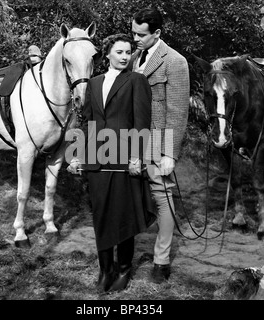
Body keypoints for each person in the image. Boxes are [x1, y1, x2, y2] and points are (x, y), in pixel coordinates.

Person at [67, 34, 155, 293]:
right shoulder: (93, 83)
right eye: (119, 52)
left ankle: (124, 269)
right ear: (107, 55)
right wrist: (76, 154)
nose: (125, 56)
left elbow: (142, 122)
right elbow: (86, 122)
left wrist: (138, 156)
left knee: (123, 214)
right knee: (102, 215)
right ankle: (106, 270)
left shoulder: (136, 81)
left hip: (124, 158)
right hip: (96, 159)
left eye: (128, 52)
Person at [131, 7, 190, 283]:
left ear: (157, 33)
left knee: (163, 197)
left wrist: (170, 153)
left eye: (141, 35)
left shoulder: (174, 61)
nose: (135, 39)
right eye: (133, 33)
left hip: (157, 140)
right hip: (130, 140)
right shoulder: (133, 57)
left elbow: (177, 112)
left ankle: (161, 261)